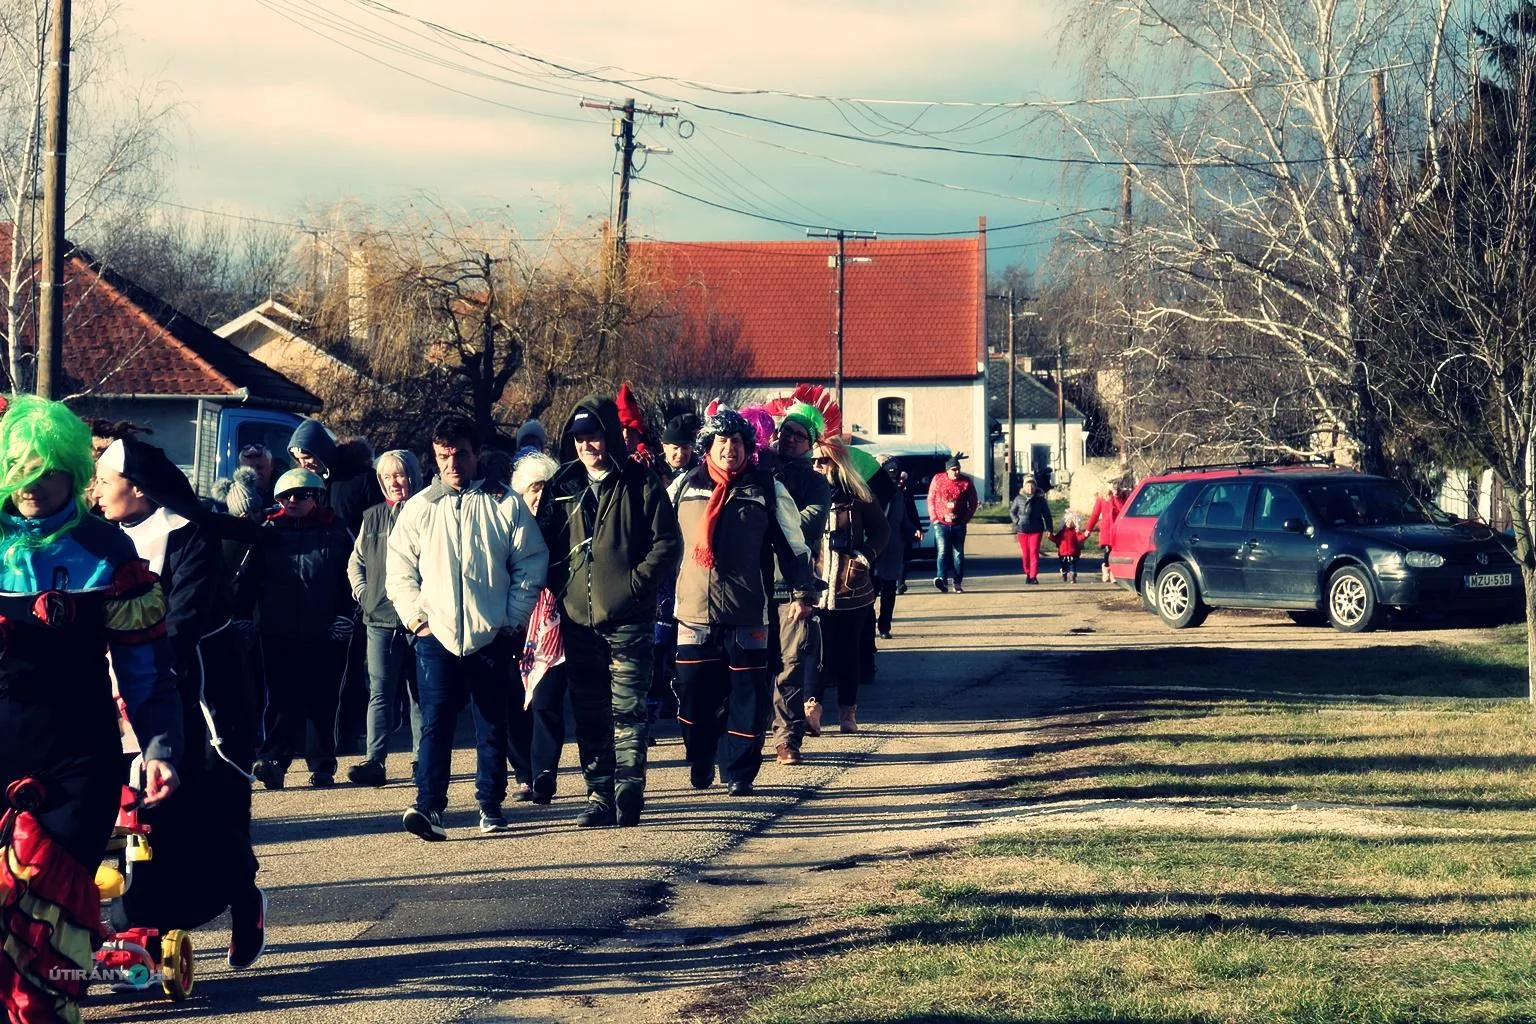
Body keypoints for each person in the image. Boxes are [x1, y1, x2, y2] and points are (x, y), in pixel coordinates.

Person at [0, 396, 182, 1023]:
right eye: (18, 468)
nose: (30, 485)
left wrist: (158, 749)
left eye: (45, 470)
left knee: (50, 898)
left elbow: (146, 673)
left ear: (73, 473)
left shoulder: (106, 552)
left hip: (78, 759)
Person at [94, 436, 266, 970]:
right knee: (141, 813)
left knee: (213, 805)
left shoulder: (190, 536)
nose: (94, 492)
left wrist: (132, 648)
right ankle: (149, 922)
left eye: (104, 482)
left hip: (205, 690)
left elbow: (185, 615)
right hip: (125, 687)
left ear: (139, 489)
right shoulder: (97, 539)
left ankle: (244, 899)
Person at [386, 414, 548, 841]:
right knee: (435, 722)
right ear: (434, 458)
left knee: (492, 721)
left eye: (460, 454)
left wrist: (511, 618)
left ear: (476, 454)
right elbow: (399, 570)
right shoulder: (419, 508)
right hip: (435, 635)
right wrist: (416, 618)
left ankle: (490, 804)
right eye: (443, 456)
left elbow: (530, 562)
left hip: (490, 634)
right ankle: (429, 806)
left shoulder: (504, 504)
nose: (452, 463)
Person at [537, 396, 682, 827]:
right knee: (589, 709)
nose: (586, 446)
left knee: (628, 706)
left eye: (593, 436)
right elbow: (542, 546)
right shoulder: (562, 485)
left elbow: (668, 544)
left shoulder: (640, 482)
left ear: (610, 437)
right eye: (579, 438)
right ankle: (599, 794)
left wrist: (635, 586)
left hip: (628, 618)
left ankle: (629, 786)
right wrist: (556, 588)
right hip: (578, 621)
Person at [669, 405, 818, 796]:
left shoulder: (765, 487)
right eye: (722, 441)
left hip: (748, 612)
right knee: (693, 699)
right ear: (707, 447)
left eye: (737, 441)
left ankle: (739, 771)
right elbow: (660, 542)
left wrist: (803, 590)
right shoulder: (683, 487)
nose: (729, 449)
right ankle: (700, 756)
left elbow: (793, 544)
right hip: (693, 614)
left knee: (748, 699)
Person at [242, 467, 356, 790]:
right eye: (286, 495)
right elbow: (249, 579)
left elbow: (353, 577)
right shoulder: (268, 530)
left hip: (325, 632)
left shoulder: (336, 530)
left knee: (323, 698)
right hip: (278, 630)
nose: (293, 500)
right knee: (279, 698)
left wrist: (346, 615)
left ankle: (322, 764)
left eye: (302, 494)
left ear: (316, 497)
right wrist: (243, 617)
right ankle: (274, 760)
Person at [345, 450, 425, 787]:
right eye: (388, 476)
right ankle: (375, 761)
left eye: (401, 474)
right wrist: (363, 593)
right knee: (380, 692)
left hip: (421, 620)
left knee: (420, 693)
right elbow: (356, 560)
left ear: (414, 477)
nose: (395, 482)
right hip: (378, 619)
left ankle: (423, 760)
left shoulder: (428, 511)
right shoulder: (373, 516)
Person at [809, 438, 889, 734]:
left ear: (837, 463)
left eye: (822, 461)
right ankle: (812, 709)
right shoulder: (805, 495)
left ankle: (848, 712)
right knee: (815, 652)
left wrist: (864, 558)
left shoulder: (859, 496)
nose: (816, 466)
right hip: (816, 587)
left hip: (850, 589)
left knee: (848, 652)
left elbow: (882, 531)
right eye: (813, 461)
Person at [766, 401, 830, 762]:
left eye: (798, 435)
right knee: (754, 666)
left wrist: (769, 520)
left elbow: (809, 525)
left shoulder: (815, 482)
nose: (789, 439)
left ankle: (787, 739)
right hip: (755, 581)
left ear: (811, 442)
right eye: (785, 432)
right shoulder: (758, 468)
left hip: (794, 585)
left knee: (790, 665)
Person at [510, 451, 566, 804]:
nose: (539, 496)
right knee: (514, 702)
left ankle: (544, 772)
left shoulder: (563, 527)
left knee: (546, 700)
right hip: (513, 620)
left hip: (551, 622)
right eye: (533, 488)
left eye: (545, 488)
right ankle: (522, 773)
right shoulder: (507, 525)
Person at [287, 418, 381, 534]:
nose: (303, 464)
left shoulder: (363, 478)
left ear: (321, 451)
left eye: (306, 457)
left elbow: (378, 522)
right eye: (298, 459)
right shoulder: (303, 483)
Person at [874, 457, 918, 640]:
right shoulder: (871, 493)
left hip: (892, 549)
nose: (894, 480)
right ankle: (867, 625)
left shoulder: (898, 495)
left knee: (889, 590)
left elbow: (902, 520)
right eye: (890, 476)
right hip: (873, 548)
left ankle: (884, 626)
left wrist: (913, 530)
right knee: (871, 591)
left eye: (896, 476)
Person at [928, 457, 977, 593]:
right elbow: (931, 499)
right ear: (947, 470)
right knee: (943, 551)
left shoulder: (966, 482)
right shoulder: (938, 479)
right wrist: (934, 518)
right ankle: (941, 579)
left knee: (958, 554)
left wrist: (964, 519)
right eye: (953, 470)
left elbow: (973, 503)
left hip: (958, 524)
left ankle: (957, 581)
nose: (956, 472)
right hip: (941, 523)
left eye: (958, 470)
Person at [1010, 473, 1054, 585]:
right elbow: (1012, 512)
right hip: (1022, 530)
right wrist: (1017, 521)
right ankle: (1028, 573)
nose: (1030, 488)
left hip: (1036, 530)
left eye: (1032, 486)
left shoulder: (1040, 499)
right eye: (1028, 486)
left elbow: (1047, 515)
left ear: (1035, 487)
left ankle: (1033, 576)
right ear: (1024, 487)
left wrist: (1049, 528)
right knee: (1026, 554)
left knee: (1034, 552)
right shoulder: (1018, 498)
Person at [1085, 480, 1128, 584]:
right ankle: (1106, 568)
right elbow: (1095, 515)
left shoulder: (1119, 498)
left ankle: (1113, 572)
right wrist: (1088, 529)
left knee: (1115, 551)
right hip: (1106, 530)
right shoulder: (1101, 500)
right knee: (1108, 551)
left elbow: (1123, 510)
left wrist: (1116, 497)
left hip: (1116, 529)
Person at [658, 414, 699, 484]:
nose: (680, 454)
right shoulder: (655, 469)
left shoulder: (700, 470)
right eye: (675, 448)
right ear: (664, 447)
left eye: (685, 448)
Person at [1051, 509, 1088, 583]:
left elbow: (1080, 538)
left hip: (1073, 553)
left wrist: (1085, 535)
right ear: (1065, 522)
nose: (1069, 523)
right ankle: (1064, 574)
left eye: (1071, 521)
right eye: (1068, 521)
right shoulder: (1062, 532)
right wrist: (1050, 536)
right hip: (1063, 553)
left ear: (1074, 523)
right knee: (1064, 566)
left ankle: (1072, 577)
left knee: (1072, 566)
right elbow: (1057, 539)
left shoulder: (1075, 532)